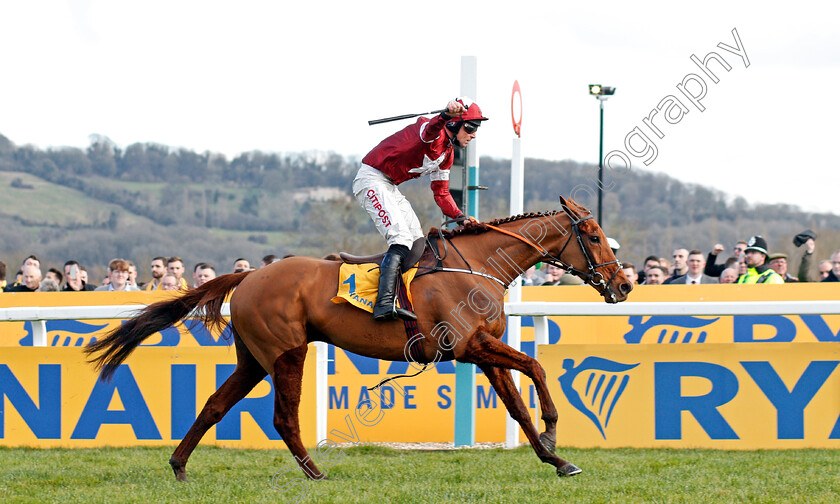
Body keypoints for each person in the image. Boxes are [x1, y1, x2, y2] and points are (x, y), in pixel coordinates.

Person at [354, 97, 488, 321]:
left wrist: (460, 218)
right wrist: (445, 115)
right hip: (371, 179)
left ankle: (404, 297)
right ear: (455, 124)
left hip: (389, 185)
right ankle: (384, 303)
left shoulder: (447, 155)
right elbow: (429, 132)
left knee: (417, 241)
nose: (473, 134)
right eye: (471, 127)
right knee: (401, 238)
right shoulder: (431, 130)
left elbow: (442, 193)